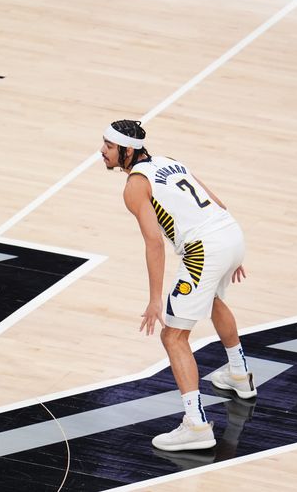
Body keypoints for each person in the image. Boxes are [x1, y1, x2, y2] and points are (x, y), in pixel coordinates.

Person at [100, 119, 256, 452]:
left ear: (128, 151)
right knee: (213, 299)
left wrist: (155, 299)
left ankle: (196, 425)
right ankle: (239, 374)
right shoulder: (170, 161)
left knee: (172, 335)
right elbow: (219, 204)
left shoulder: (134, 186)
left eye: (109, 147)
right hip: (230, 233)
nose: (102, 151)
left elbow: (154, 242)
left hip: (206, 249)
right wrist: (232, 253)